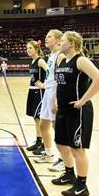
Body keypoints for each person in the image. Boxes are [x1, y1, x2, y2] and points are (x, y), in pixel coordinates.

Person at [51, 31, 99, 196]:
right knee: (60, 143)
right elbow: (60, 84)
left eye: (63, 41)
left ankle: (81, 185)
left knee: (77, 149)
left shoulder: (81, 60)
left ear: (71, 43)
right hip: (63, 109)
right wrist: (57, 101)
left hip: (78, 111)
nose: (60, 43)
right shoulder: (63, 59)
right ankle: (69, 173)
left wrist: (83, 100)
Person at [33, 30, 65, 170]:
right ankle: (48, 153)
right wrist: (44, 85)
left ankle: (63, 159)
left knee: (57, 127)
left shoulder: (60, 55)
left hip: (55, 94)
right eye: (45, 36)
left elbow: (61, 80)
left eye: (49, 37)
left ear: (58, 40)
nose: (46, 38)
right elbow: (51, 77)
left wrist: (57, 99)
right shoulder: (51, 55)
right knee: (43, 125)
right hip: (48, 91)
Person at [25, 40, 47, 155]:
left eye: (31, 48)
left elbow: (50, 72)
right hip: (32, 91)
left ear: (36, 49)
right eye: (27, 48)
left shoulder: (40, 61)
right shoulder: (32, 61)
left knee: (40, 119)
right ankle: (38, 141)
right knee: (35, 118)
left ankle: (44, 144)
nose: (28, 50)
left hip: (39, 92)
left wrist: (44, 85)